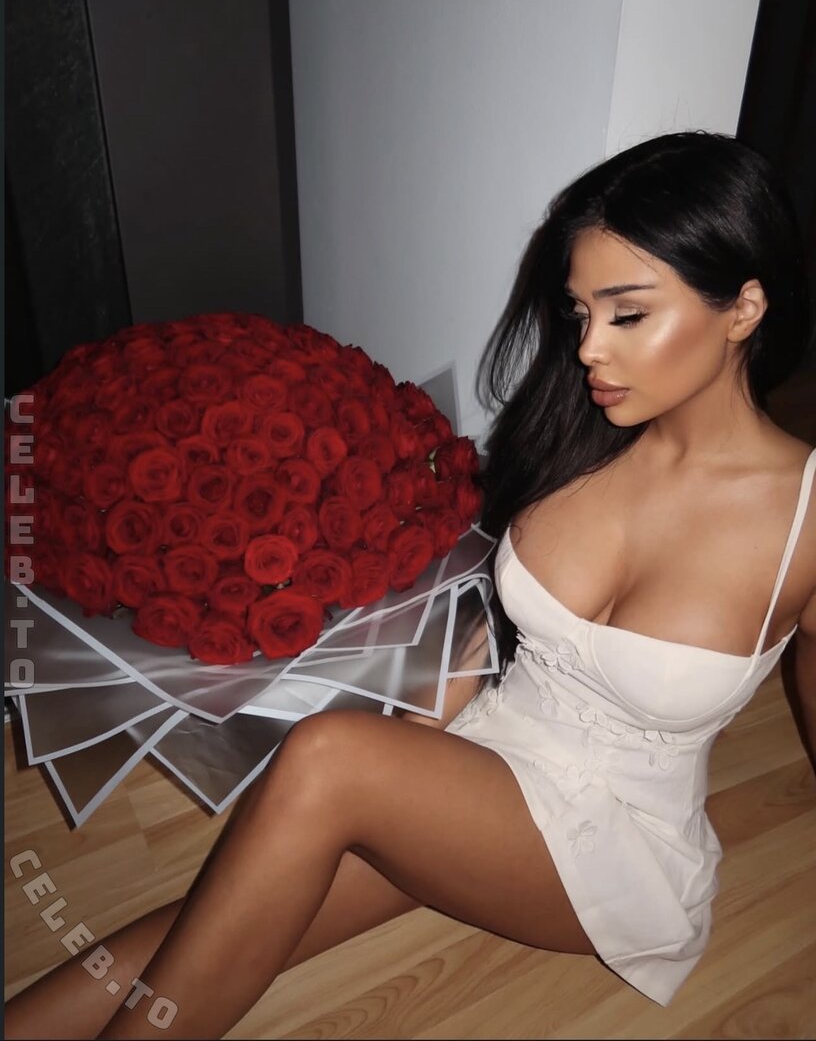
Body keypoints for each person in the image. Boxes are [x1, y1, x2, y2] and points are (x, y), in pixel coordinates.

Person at [5, 131, 815, 1040]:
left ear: (743, 309)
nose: (589, 349)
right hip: (486, 757)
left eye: (626, 315)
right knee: (199, 930)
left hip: (618, 846)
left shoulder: (805, 516)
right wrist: (429, 735)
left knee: (330, 760)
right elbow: (499, 633)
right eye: (579, 312)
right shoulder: (580, 438)